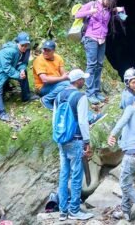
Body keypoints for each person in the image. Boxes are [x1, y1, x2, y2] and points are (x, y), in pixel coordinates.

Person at [55, 69, 94, 221]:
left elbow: (55, 120)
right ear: (77, 81)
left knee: (64, 175)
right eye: (82, 79)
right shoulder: (80, 97)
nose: (84, 82)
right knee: (77, 176)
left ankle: (63, 211)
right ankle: (74, 210)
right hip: (76, 139)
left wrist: (58, 139)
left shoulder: (59, 96)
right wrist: (87, 141)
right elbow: (83, 121)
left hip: (62, 140)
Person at [74, 0, 125, 104]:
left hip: (102, 39)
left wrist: (118, 10)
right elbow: (77, 14)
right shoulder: (92, 4)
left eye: (112, 3)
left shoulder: (108, 9)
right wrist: (90, 12)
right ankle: (90, 93)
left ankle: (96, 91)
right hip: (91, 38)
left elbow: (120, 17)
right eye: (109, 2)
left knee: (99, 65)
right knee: (91, 65)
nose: (109, 5)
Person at [0, 32, 39, 121]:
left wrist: (22, 70)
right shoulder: (10, 51)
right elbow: (6, 67)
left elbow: (23, 63)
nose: (24, 47)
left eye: (26, 45)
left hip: (8, 68)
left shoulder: (26, 49)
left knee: (24, 73)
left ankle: (26, 96)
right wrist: (18, 75)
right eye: (22, 45)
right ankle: (1, 113)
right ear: (17, 43)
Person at [33, 39, 70, 110]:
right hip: (43, 87)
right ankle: (46, 99)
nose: (45, 52)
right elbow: (45, 79)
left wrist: (69, 76)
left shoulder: (58, 58)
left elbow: (63, 74)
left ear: (53, 51)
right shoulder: (39, 60)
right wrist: (63, 78)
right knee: (67, 84)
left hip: (57, 84)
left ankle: (60, 100)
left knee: (70, 85)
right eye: (44, 49)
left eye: (48, 50)